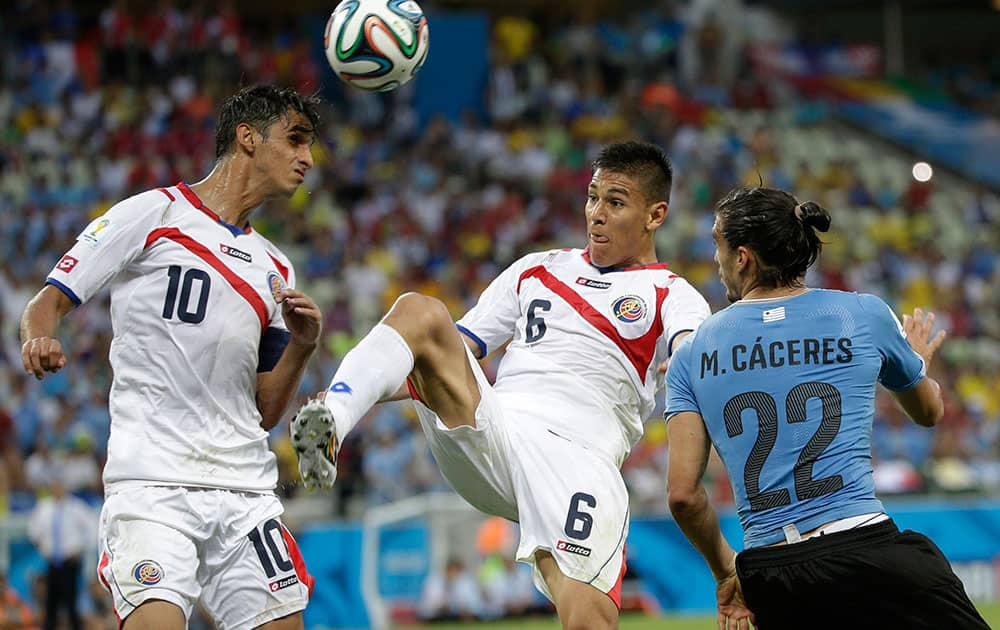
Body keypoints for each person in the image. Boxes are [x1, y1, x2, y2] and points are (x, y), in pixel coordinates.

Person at [293, 141, 711, 629]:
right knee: (420, 312)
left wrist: (685, 361)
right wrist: (365, 391)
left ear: (655, 215)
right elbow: (447, 353)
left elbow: (693, 348)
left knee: (589, 622)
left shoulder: (672, 293)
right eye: (592, 196)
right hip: (498, 429)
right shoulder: (537, 269)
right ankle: (334, 420)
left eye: (615, 203)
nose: (596, 214)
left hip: (581, 459)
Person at [19, 85, 323, 630]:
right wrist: (39, 337)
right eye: (296, 140)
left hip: (246, 491)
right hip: (152, 485)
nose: (308, 158)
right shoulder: (153, 213)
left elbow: (264, 411)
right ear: (247, 138)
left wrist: (302, 344)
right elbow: (46, 304)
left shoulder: (275, 267)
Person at [664, 186, 990, 630]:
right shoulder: (862, 313)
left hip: (770, 573)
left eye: (717, 246)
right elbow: (929, 413)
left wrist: (728, 573)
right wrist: (917, 362)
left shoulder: (691, 353)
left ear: (742, 257)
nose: (716, 260)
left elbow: (683, 496)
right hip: (864, 547)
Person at [27, 477, 94, 630]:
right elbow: (32, 530)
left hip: (70, 561)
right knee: (52, 601)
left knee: (71, 602)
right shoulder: (44, 507)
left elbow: (92, 527)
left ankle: (75, 626)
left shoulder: (76, 506)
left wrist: (82, 549)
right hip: (52, 562)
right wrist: (41, 545)